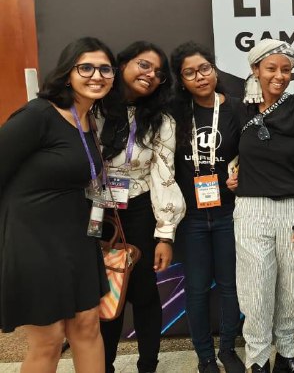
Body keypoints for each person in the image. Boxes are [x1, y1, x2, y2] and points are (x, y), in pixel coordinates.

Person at [0, 37, 115, 373]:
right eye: (86, 68)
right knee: (49, 340)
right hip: (32, 240)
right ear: (68, 73)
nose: (97, 75)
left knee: (88, 327)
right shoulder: (38, 115)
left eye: (105, 69)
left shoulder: (88, 119)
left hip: (77, 236)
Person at [227, 39, 294, 373]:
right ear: (255, 69)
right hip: (251, 211)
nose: (279, 76)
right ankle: (257, 360)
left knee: (289, 290)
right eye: (271, 68)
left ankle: (286, 354)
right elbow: (227, 153)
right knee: (256, 290)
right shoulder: (240, 110)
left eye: (286, 69)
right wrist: (231, 175)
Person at [98, 41, 186, 373]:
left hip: (137, 211)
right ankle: (103, 366)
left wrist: (165, 235)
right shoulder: (93, 108)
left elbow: (164, 176)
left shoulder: (162, 121)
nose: (150, 75)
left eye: (158, 73)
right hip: (93, 212)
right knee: (105, 295)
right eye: (143, 65)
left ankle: (148, 365)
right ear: (122, 64)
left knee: (145, 294)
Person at [170, 42, 245, 373]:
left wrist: (244, 175)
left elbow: (252, 153)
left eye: (204, 68)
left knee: (230, 286)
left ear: (214, 69)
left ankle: (227, 349)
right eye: (190, 73)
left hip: (229, 213)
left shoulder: (237, 109)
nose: (200, 77)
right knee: (197, 289)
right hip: (191, 217)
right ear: (181, 80)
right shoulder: (174, 113)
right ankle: (204, 357)